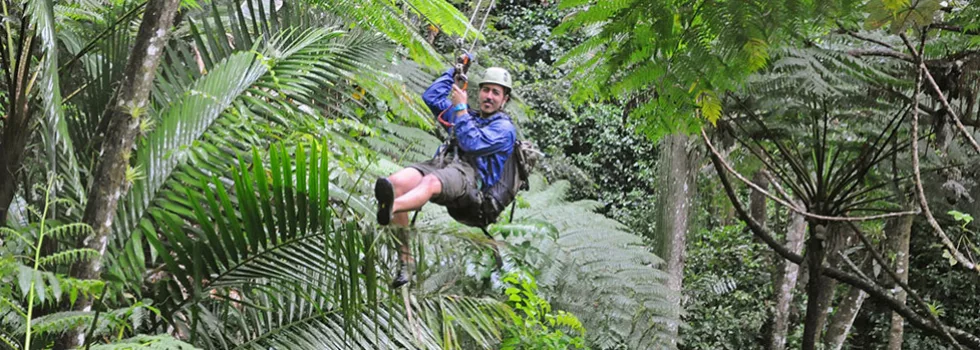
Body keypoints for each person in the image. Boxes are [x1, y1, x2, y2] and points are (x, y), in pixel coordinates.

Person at [374, 61, 517, 288]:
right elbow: (431, 97)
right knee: (395, 183)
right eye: (486, 90)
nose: (489, 96)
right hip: (444, 163)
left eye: (495, 93)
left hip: (472, 181)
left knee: (430, 182)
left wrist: (460, 109)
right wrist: (456, 70)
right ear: (479, 92)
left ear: (504, 99)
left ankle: (391, 207)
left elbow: (472, 143)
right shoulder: (469, 115)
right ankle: (406, 260)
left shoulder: (504, 129)